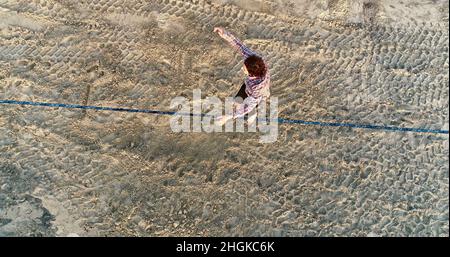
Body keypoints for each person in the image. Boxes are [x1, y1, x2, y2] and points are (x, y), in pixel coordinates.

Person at [214, 27, 271, 125]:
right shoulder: (254, 59)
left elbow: (247, 107)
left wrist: (227, 117)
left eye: (244, 68)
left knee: (250, 109)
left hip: (256, 95)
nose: (242, 68)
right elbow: (240, 46)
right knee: (237, 102)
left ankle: (253, 114)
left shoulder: (258, 87)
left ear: (252, 73)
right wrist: (225, 34)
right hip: (247, 87)